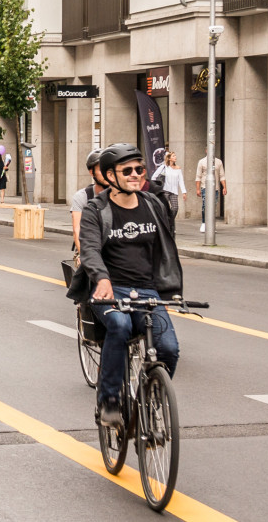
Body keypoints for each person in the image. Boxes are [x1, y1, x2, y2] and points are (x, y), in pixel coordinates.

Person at [72, 143, 182, 430]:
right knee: (119, 328)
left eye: (139, 169)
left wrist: (169, 290)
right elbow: (90, 250)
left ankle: (152, 395)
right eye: (128, 170)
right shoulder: (97, 209)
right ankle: (108, 400)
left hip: (146, 290)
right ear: (110, 175)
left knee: (168, 348)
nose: (136, 175)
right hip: (108, 290)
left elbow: (166, 249)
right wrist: (102, 279)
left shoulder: (153, 205)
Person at [70, 149, 107, 258]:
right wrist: (86, 258)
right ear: (92, 172)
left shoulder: (120, 194)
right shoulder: (82, 196)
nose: (107, 174)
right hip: (89, 246)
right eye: (102, 170)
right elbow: (77, 230)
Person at [152, 151, 187, 233]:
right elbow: (154, 176)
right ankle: (163, 224)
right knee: (163, 208)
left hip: (174, 191)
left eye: (175, 156)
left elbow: (181, 181)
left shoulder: (178, 169)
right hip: (165, 190)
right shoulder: (164, 167)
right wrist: (156, 187)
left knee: (175, 208)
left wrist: (184, 192)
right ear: (169, 158)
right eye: (174, 156)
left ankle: (169, 223)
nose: (175, 157)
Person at [195, 154, 227, 233]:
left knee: (213, 206)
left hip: (215, 188)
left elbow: (222, 175)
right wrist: (198, 189)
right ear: (206, 150)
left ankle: (212, 225)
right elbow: (198, 176)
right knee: (205, 205)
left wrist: (224, 187)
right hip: (204, 187)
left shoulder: (218, 162)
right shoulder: (202, 162)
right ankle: (204, 223)